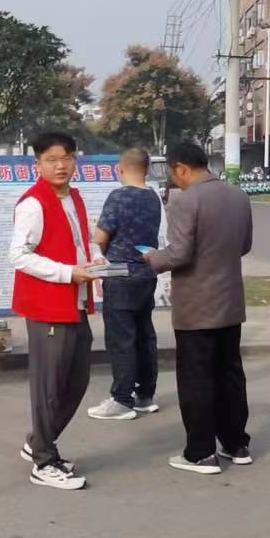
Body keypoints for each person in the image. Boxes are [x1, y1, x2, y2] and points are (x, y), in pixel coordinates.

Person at [144, 141, 254, 475]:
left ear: (181, 168)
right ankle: (236, 443)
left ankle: (201, 452)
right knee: (230, 373)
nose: (174, 180)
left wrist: (152, 258)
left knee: (196, 378)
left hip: (197, 305)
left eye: (173, 173)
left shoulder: (186, 200)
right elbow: (244, 245)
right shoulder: (238, 196)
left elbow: (178, 254)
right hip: (229, 300)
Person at [9, 131, 110, 492]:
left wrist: (96, 259)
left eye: (66, 158)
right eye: (51, 159)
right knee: (49, 386)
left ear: (74, 160)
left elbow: (82, 242)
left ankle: (39, 441)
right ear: (37, 165)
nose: (60, 165)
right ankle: (44, 461)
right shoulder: (33, 204)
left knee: (76, 381)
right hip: (48, 304)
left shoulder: (74, 198)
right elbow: (18, 255)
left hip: (75, 302)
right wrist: (68, 273)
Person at [86, 147, 161, 420]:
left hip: (119, 274)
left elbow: (101, 236)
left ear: (119, 170)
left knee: (121, 340)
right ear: (147, 170)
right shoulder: (153, 197)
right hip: (147, 273)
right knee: (144, 336)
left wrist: (99, 246)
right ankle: (145, 396)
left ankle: (121, 400)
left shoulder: (118, 196)